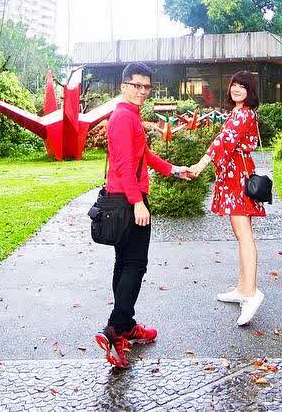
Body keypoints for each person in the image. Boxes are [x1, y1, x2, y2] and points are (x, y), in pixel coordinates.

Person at [94, 62, 193, 369]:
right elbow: (124, 165)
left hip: (123, 197)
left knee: (124, 263)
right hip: (128, 198)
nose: (141, 91)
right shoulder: (123, 118)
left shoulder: (130, 116)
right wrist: (138, 203)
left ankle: (126, 326)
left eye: (146, 87)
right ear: (123, 86)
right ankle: (115, 328)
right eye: (136, 85)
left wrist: (174, 170)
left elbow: (144, 156)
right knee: (135, 264)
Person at [185, 71, 266, 326]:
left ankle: (251, 292)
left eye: (243, 86)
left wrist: (200, 165)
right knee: (242, 234)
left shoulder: (244, 114)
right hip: (235, 175)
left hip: (238, 178)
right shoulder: (240, 112)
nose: (237, 89)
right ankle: (243, 288)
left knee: (244, 236)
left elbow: (223, 142)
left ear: (250, 91)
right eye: (234, 85)